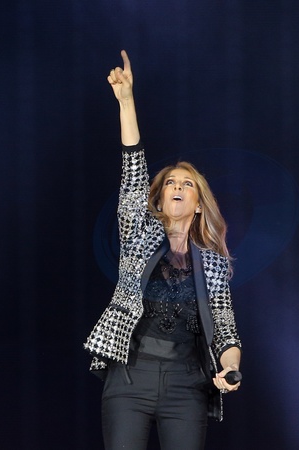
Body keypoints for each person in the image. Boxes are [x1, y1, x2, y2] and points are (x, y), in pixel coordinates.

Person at [83, 50, 242, 450]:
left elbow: (225, 328)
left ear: (199, 203)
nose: (177, 187)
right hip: (130, 377)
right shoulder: (138, 232)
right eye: (171, 182)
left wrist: (231, 369)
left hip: (187, 384)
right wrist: (126, 101)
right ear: (159, 197)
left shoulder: (213, 263)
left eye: (187, 184)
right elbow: (133, 168)